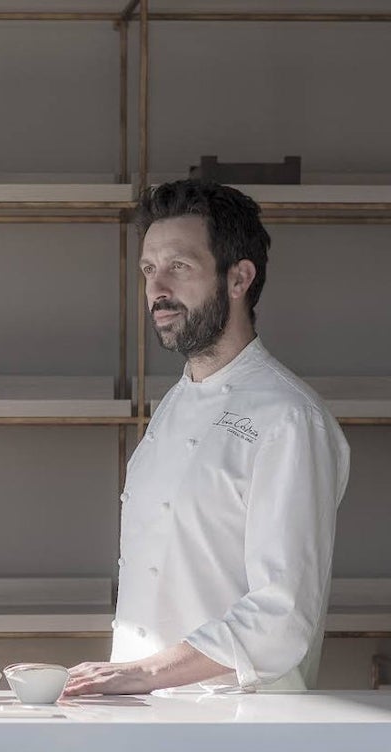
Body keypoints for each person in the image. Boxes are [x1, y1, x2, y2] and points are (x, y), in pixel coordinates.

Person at [64, 179, 350, 696]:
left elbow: (281, 613)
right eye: (149, 270)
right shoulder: (174, 403)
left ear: (239, 278)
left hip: (237, 728)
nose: (157, 290)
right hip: (143, 710)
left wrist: (143, 673)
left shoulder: (288, 418)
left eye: (179, 266)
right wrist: (126, 675)